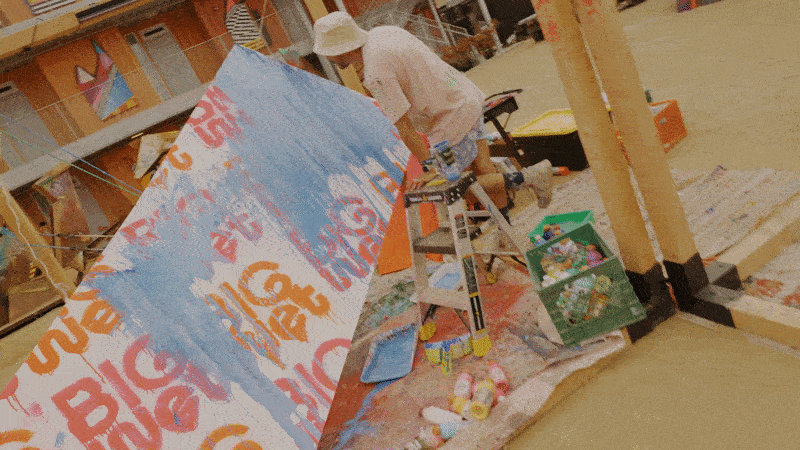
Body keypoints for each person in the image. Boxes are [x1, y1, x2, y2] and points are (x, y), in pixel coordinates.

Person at [312, 11, 554, 220]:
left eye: (327, 54)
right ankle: (505, 228)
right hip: (465, 94)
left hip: (449, 120)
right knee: (483, 168)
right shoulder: (385, 32)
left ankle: (528, 177)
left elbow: (404, 127)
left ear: (339, 50)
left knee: (452, 186)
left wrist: (429, 166)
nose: (329, 60)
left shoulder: (376, 74)